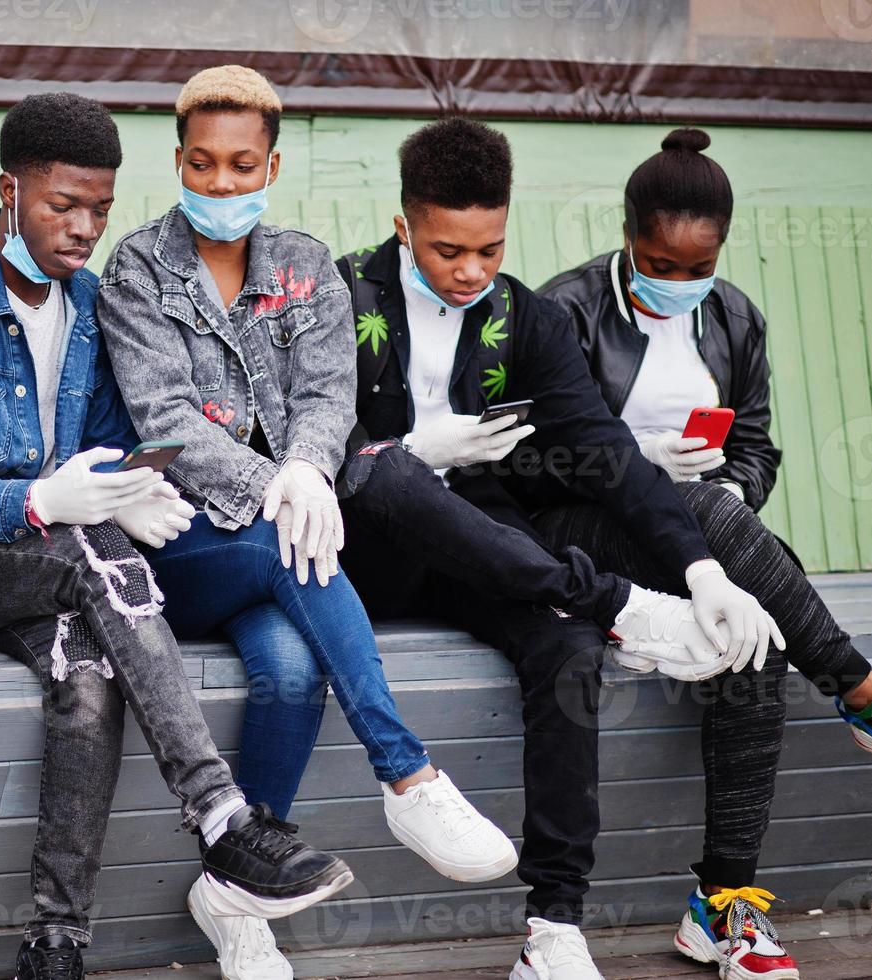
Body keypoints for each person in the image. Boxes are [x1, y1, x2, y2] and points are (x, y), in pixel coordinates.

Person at [0, 92, 353, 980]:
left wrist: (128, 484)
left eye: (101, 207)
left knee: (86, 674)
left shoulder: (94, 305)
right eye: (63, 204)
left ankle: (56, 943)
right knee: (95, 550)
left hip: (59, 572)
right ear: (8, 191)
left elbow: (106, 447)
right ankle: (220, 814)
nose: (85, 227)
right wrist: (39, 501)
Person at [331, 118, 793, 980]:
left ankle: (553, 929)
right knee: (391, 474)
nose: (470, 271)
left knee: (569, 649)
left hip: (481, 551)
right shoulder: (337, 293)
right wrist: (418, 450)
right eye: (445, 251)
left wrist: (699, 568)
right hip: (368, 548)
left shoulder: (523, 315)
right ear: (403, 227)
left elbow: (606, 453)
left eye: (489, 247)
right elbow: (317, 446)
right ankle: (617, 602)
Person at [98, 68, 522, 980]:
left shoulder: (306, 265)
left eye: (240, 165)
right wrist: (282, 482)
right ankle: (406, 775)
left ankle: (237, 894)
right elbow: (164, 418)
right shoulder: (136, 267)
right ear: (177, 162)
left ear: (271, 164)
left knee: (291, 673)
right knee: (287, 542)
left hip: (280, 541)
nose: (220, 184)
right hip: (181, 541)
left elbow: (326, 396)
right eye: (202, 164)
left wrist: (305, 466)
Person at [539, 127, 872, 979]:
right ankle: (856, 684)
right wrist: (635, 469)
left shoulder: (733, 319)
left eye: (698, 266)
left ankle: (723, 908)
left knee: (751, 633)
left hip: (700, 545)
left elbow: (757, 449)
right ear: (627, 236)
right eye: (659, 263)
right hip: (580, 530)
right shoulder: (564, 310)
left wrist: (729, 492)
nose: (680, 282)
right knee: (696, 517)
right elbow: (521, 460)